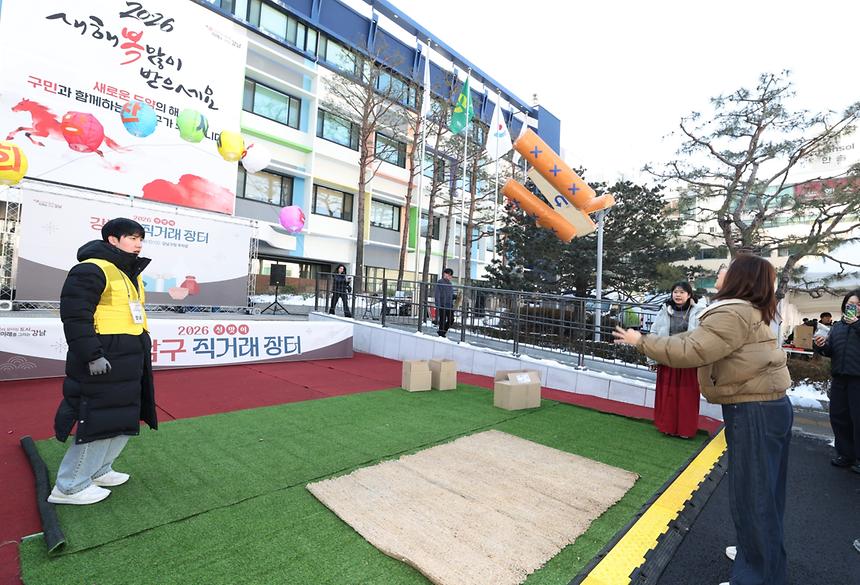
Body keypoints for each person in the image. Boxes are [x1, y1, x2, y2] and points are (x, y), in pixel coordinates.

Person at [614, 255, 792, 585]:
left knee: (753, 496)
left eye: (725, 268)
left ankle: (756, 576)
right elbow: (691, 342)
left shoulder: (732, 311)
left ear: (739, 277)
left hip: (753, 411)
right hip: (767, 407)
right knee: (765, 493)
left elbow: (690, 350)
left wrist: (641, 342)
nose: (719, 273)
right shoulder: (751, 309)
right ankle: (760, 559)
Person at [49, 218, 157, 505]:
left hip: (128, 356)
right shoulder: (90, 269)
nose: (138, 243)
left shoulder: (128, 272)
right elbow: (75, 316)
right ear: (113, 240)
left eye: (140, 239)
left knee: (122, 416)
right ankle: (69, 486)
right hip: (104, 355)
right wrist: (92, 355)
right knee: (97, 418)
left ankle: (98, 470)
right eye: (132, 237)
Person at [649, 281, 705, 438]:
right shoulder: (664, 310)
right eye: (675, 292)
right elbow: (654, 333)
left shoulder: (699, 312)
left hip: (687, 359)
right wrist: (652, 358)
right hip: (667, 356)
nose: (678, 295)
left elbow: (704, 336)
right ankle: (667, 427)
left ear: (689, 295)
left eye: (681, 292)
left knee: (687, 396)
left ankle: (685, 430)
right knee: (667, 394)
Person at [814, 289, 860, 474]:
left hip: (858, 380)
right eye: (851, 304)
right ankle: (845, 454)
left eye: (858, 304)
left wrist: (857, 324)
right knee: (839, 418)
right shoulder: (837, 327)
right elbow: (831, 350)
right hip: (839, 378)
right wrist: (821, 346)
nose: (854, 308)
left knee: (858, 420)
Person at [434, 268, 455, 338]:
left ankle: (442, 332)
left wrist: (456, 297)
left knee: (451, 319)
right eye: (445, 274)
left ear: (451, 276)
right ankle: (441, 334)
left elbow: (450, 294)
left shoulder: (450, 284)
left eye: (448, 275)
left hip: (449, 305)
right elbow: (437, 294)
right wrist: (438, 304)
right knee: (442, 320)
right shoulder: (440, 282)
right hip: (442, 304)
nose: (446, 276)